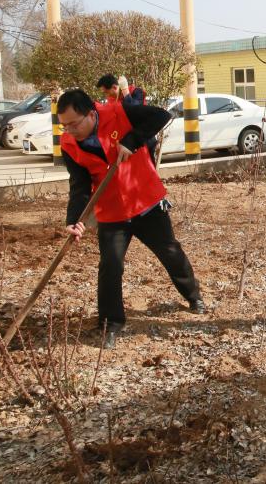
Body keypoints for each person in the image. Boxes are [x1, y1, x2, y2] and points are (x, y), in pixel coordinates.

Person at [57, 89, 206, 349]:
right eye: (64, 125)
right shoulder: (69, 144)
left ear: (90, 114)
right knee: (110, 266)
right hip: (112, 211)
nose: (70, 130)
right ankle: (111, 323)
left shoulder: (118, 112)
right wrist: (74, 219)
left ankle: (193, 295)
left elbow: (161, 115)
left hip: (146, 202)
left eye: (74, 124)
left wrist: (131, 140)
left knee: (170, 252)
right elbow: (79, 185)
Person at [96, 74, 157, 164]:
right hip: (127, 144)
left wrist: (125, 92)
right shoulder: (111, 101)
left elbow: (135, 110)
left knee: (148, 168)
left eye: (106, 92)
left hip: (143, 140)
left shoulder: (136, 92)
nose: (106, 95)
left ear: (114, 87)